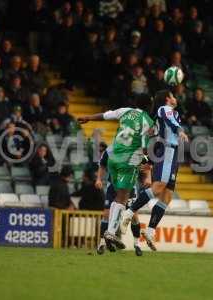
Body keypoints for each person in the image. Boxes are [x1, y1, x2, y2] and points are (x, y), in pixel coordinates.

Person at [78, 93, 154, 249]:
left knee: (119, 197)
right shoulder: (148, 120)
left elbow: (105, 115)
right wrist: (148, 161)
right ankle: (111, 231)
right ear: (148, 106)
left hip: (112, 156)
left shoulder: (126, 111)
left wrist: (89, 117)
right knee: (123, 197)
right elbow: (145, 148)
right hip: (128, 160)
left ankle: (110, 231)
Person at [121, 90, 189, 251]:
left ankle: (150, 231)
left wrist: (152, 158)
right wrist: (180, 130)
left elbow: (158, 131)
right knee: (158, 186)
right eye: (172, 96)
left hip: (172, 154)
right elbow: (171, 122)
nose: (175, 98)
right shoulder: (164, 109)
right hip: (168, 150)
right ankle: (129, 212)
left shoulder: (172, 112)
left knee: (167, 195)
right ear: (167, 99)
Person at [95, 145, 149, 256]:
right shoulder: (110, 150)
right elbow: (102, 165)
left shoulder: (136, 149)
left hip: (130, 186)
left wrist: (147, 177)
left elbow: (147, 165)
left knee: (133, 216)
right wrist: (99, 179)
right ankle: (102, 243)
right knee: (106, 214)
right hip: (113, 186)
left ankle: (136, 244)